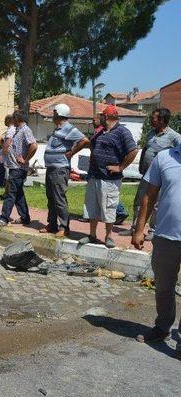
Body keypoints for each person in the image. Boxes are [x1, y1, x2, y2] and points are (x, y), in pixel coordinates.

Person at [131, 140, 181, 358]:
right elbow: (149, 196)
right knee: (163, 286)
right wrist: (139, 229)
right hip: (166, 236)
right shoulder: (165, 157)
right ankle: (162, 327)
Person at [79, 105, 137, 248]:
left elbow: (133, 151)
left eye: (101, 116)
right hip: (94, 176)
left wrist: (120, 167)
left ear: (107, 117)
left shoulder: (122, 131)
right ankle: (92, 235)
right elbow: (93, 146)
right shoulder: (101, 132)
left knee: (109, 208)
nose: (99, 118)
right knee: (92, 207)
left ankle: (108, 236)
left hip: (109, 179)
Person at [120, 108, 181, 240]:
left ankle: (153, 230)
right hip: (147, 175)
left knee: (156, 204)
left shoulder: (174, 137)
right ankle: (135, 228)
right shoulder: (151, 133)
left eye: (153, 118)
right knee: (139, 201)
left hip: (161, 178)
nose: (151, 120)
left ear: (162, 120)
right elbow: (146, 150)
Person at [41, 104, 89, 237]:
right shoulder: (58, 129)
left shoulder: (68, 128)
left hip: (60, 169)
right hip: (51, 168)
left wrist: (72, 152)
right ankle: (52, 224)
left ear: (60, 114)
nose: (52, 115)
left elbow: (84, 140)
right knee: (51, 198)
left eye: (54, 112)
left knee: (59, 198)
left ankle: (64, 227)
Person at [0, 110, 37, 227]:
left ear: (17, 118)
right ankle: (25, 217)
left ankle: (4, 218)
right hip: (14, 167)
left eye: (13, 118)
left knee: (10, 193)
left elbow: (34, 145)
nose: (12, 120)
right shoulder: (18, 130)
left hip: (18, 168)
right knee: (18, 194)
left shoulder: (25, 130)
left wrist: (25, 159)